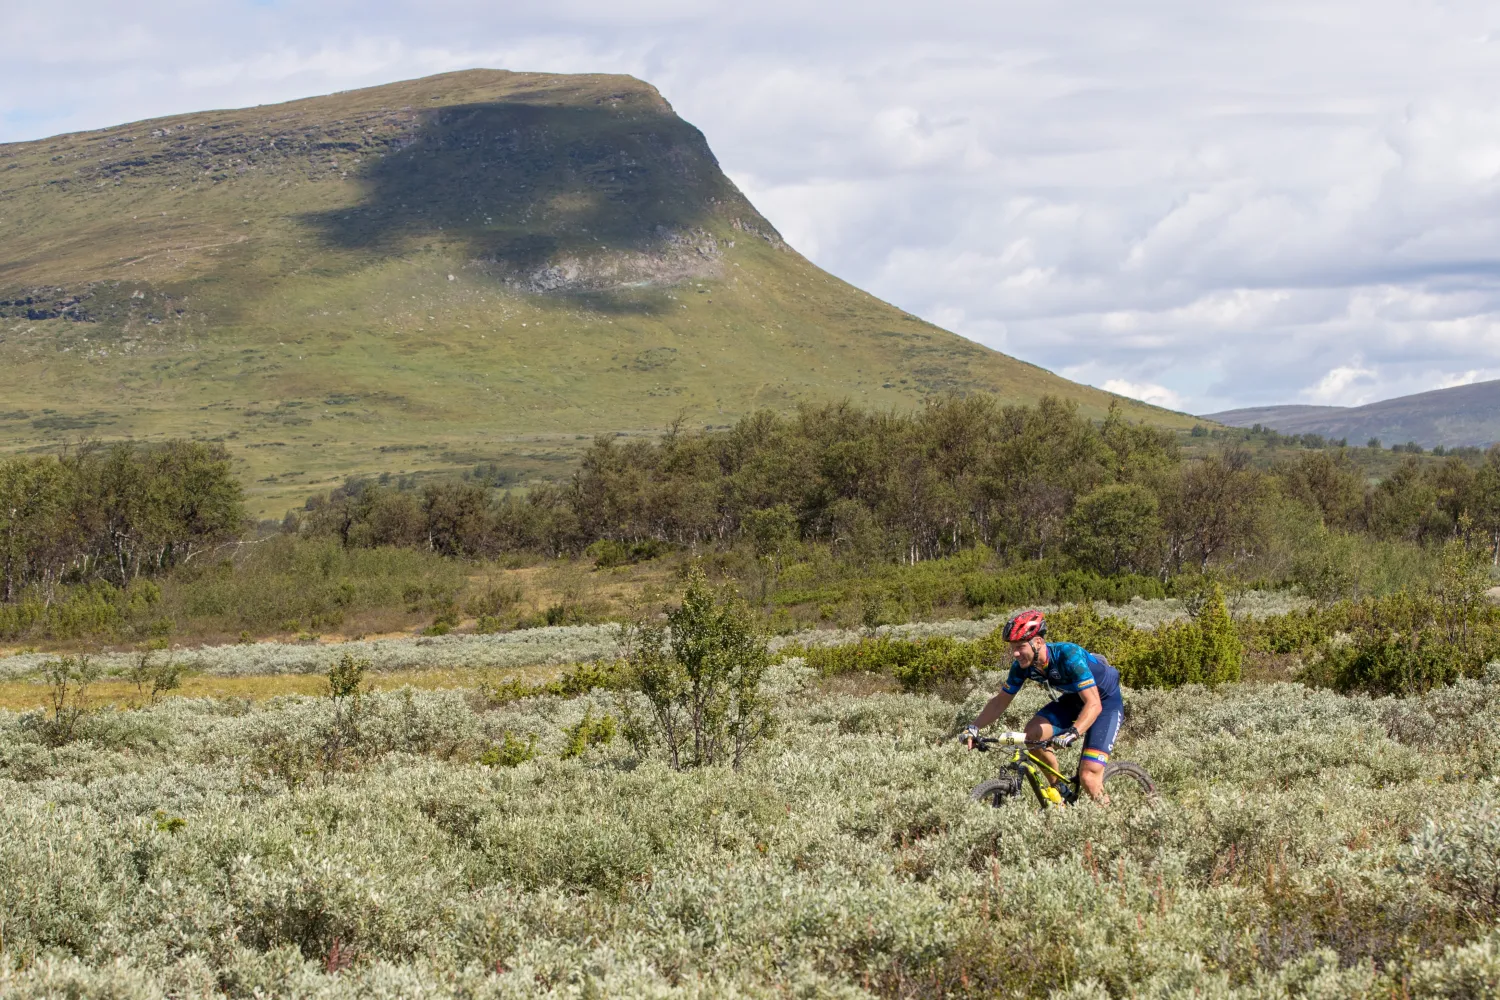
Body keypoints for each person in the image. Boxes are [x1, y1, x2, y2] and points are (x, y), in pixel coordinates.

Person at [960, 609, 1123, 803]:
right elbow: (1000, 701)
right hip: (1074, 699)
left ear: (1038, 642)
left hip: (1104, 701)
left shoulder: (1068, 655)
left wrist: (1073, 733)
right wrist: (974, 727)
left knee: (1089, 776)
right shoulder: (1023, 666)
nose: (1015, 653)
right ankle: (1060, 792)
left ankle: (1109, 816)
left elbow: (1094, 704)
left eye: (1020, 646)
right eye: (1012, 648)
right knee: (1032, 735)